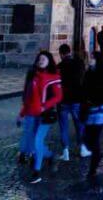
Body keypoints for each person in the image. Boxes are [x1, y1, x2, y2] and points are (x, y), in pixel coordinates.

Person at [17, 50, 62, 184]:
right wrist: (21, 114)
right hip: (31, 113)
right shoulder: (33, 76)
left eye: (44, 58)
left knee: (37, 140)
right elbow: (29, 98)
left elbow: (59, 96)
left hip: (45, 115)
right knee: (31, 143)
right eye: (39, 58)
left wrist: (44, 106)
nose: (41, 60)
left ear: (49, 61)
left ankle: (36, 172)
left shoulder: (53, 76)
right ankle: (51, 156)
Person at [80, 57, 103, 183]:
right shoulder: (88, 72)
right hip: (89, 109)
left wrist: (97, 93)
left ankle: (93, 168)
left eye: (92, 58)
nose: (90, 59)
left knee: (94, 138)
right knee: (85, 137)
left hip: (100, 109)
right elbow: (83, 89)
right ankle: (97, 154)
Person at [57, 43, 91, 160]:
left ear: (61, 54)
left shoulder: (59, 66)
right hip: (76, 99)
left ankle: (65, 151)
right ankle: (82, 148)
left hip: (63, 100)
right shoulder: (79, 64)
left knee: (63, 127)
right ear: (69, 52)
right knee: (79, 125)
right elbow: (83, 80)